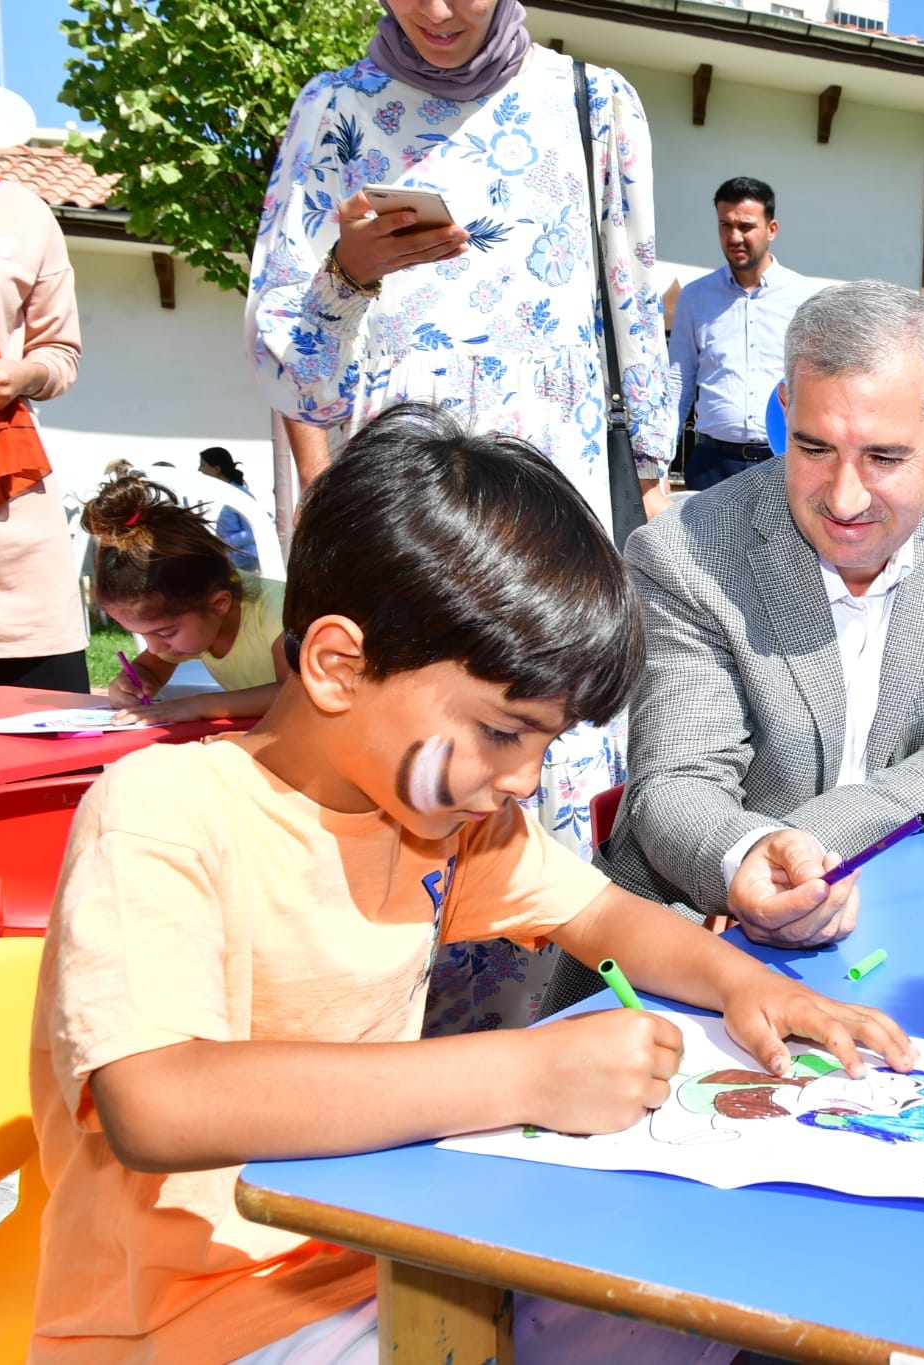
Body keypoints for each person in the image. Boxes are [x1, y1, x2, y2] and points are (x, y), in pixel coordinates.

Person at [28, 400, 914, 1364]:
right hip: (196, 1326)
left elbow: (603, 915)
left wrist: (752, 987)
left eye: (545, 742)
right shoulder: (161, 811)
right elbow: (157, 1100)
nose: (525, 778)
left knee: (719, 1298)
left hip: (396, 1254)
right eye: (500, 730)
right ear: (338, 666)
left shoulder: (449, 817)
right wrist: (525, 1074)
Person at [247, 0, 672, 1022]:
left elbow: (635, 317)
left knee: (535, 815)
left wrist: (654, 505)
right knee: (385, 812)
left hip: (549, 532)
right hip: (408, 538)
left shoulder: (593, 101)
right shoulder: (335, 110)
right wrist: (346, 275)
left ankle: (533, 1068)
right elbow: (285, 359)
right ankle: (366, 1078)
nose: (437, 10)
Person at [587, 281, 924, 965]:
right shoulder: (683, 556)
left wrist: (812, 840)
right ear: (784, 411)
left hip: (901, 922)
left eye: (884, 457)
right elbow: (675, 782)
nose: (844, 500)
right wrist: (749, 858)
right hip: (690, 946)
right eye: (814, 448)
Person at [0, 43, 87, 694]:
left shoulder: (24, 213)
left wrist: (21, 377)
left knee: (45, 728)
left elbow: (60, 352)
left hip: (11, 519)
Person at [84, 471, 290, 722]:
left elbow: (295, 693)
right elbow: (150, 669)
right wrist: (133, 682)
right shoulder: (199, 613)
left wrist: (197, 706)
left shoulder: (279, 613)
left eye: (165, 633)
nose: (154, 648)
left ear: (220, 603)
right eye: (143, 635)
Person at [669, 176, 820, 490]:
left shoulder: (803, 297)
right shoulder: (695, 297)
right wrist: (657, 466)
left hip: (781, 460)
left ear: (772, 229)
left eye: (746, 226)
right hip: (711, 464)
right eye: (725, 225)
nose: (735, 236)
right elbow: (677, 382)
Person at [196, 443, 264, 571]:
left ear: (216, 469)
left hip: (245, 561)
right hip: (221, 559)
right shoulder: (210, 494)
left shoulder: (240, 494)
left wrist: (223, 543)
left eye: (203, 465)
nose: (199, 470)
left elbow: (251, 532)